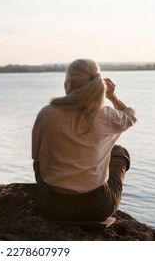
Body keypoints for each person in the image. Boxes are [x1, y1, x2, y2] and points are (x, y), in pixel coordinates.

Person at [31, 58, 137, 221]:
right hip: (97, 207)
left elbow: (36, 157)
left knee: (40, 161)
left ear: (69, 85)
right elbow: (130, 117)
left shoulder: (47, 113)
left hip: (53, 206)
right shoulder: (105, 116)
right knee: (119, 152)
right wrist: (113, 97)